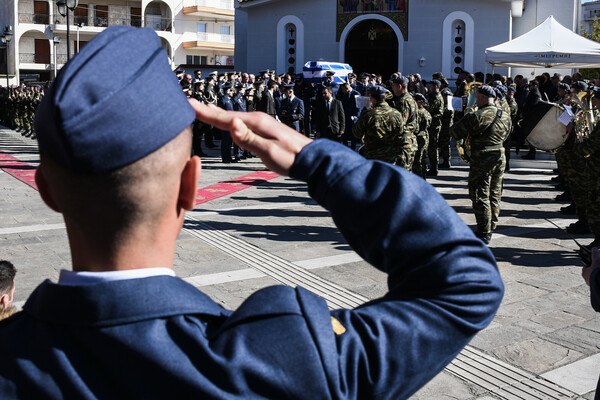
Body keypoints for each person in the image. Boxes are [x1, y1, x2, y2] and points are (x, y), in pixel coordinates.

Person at [0, 26, 503, 399]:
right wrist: (315, 159)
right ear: (191, 185)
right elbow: (467, 282)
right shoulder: (283, 360)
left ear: (46, 189)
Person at [450, 85, 511, 244]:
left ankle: (484, 230)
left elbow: (455, 132)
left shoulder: (477, 116)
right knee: (495, 191)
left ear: (483, 97)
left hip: (482, 158)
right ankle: (492, 223)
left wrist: (464, 117)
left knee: (479, 194)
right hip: (499, 156)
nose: (476, 100)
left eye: (477, 97)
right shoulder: (504, 114)